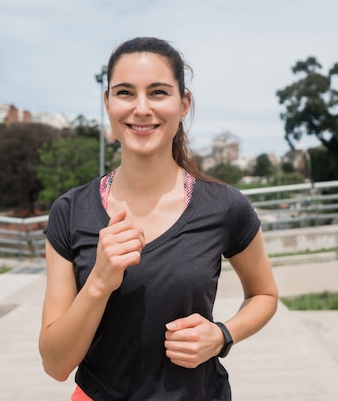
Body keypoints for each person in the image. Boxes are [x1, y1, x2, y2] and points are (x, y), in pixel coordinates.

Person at [39, 36, 279, 401]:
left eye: (158, 92)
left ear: (183, 104)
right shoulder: (70, 212)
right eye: (124, 93)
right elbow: (55, 364)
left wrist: (222, 335)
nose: (141, 108)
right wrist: (99, 283)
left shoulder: (225, 206)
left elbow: (264, 294)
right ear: (107, 104)